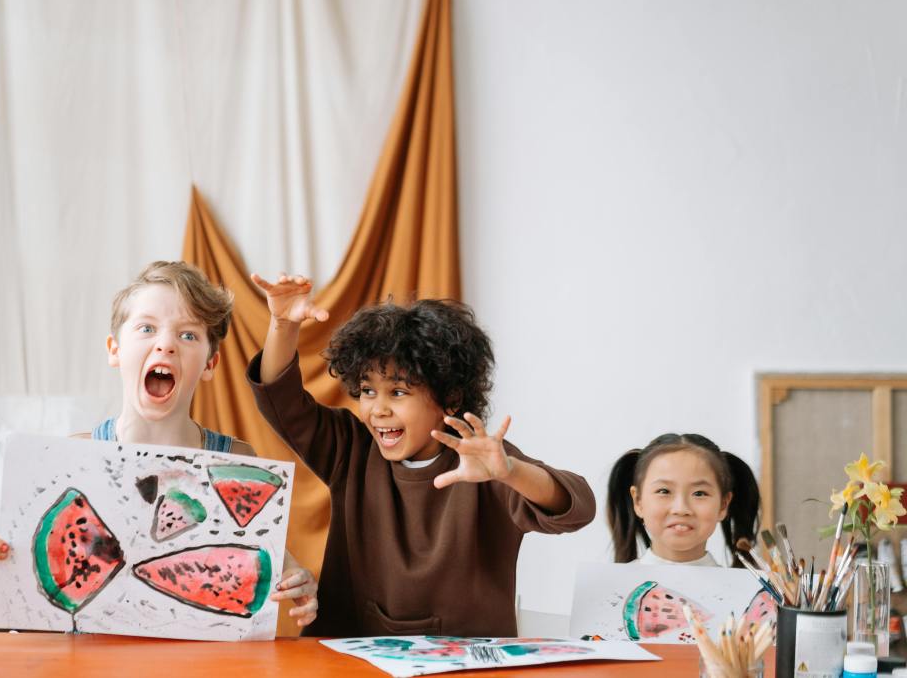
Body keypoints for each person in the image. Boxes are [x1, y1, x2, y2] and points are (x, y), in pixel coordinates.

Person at [0, 261, 318, 626]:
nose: (166, 345)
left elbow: (264, 556)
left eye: (188, 335)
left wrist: (297, 580)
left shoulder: (236, 460)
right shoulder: (73, 456)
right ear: (115, 350)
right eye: (147, 328)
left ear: (211, 364)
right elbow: (30, 553)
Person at [246, 272, 596, 636]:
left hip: (465, 667)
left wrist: (510, 472)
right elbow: (280, 400)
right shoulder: (351, 449)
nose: (378, 409)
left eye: (397, 392)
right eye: (367, 390)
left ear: (451, 397)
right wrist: (283, 325)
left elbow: (577, 507)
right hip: (346, 662)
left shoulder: (484, 462)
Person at [606, 432, 760, 567]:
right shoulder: (609, 590)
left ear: (723, 505)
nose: (681, 509)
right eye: (664, 491)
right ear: (638, 501)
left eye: (699, 493)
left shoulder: (751, 595)